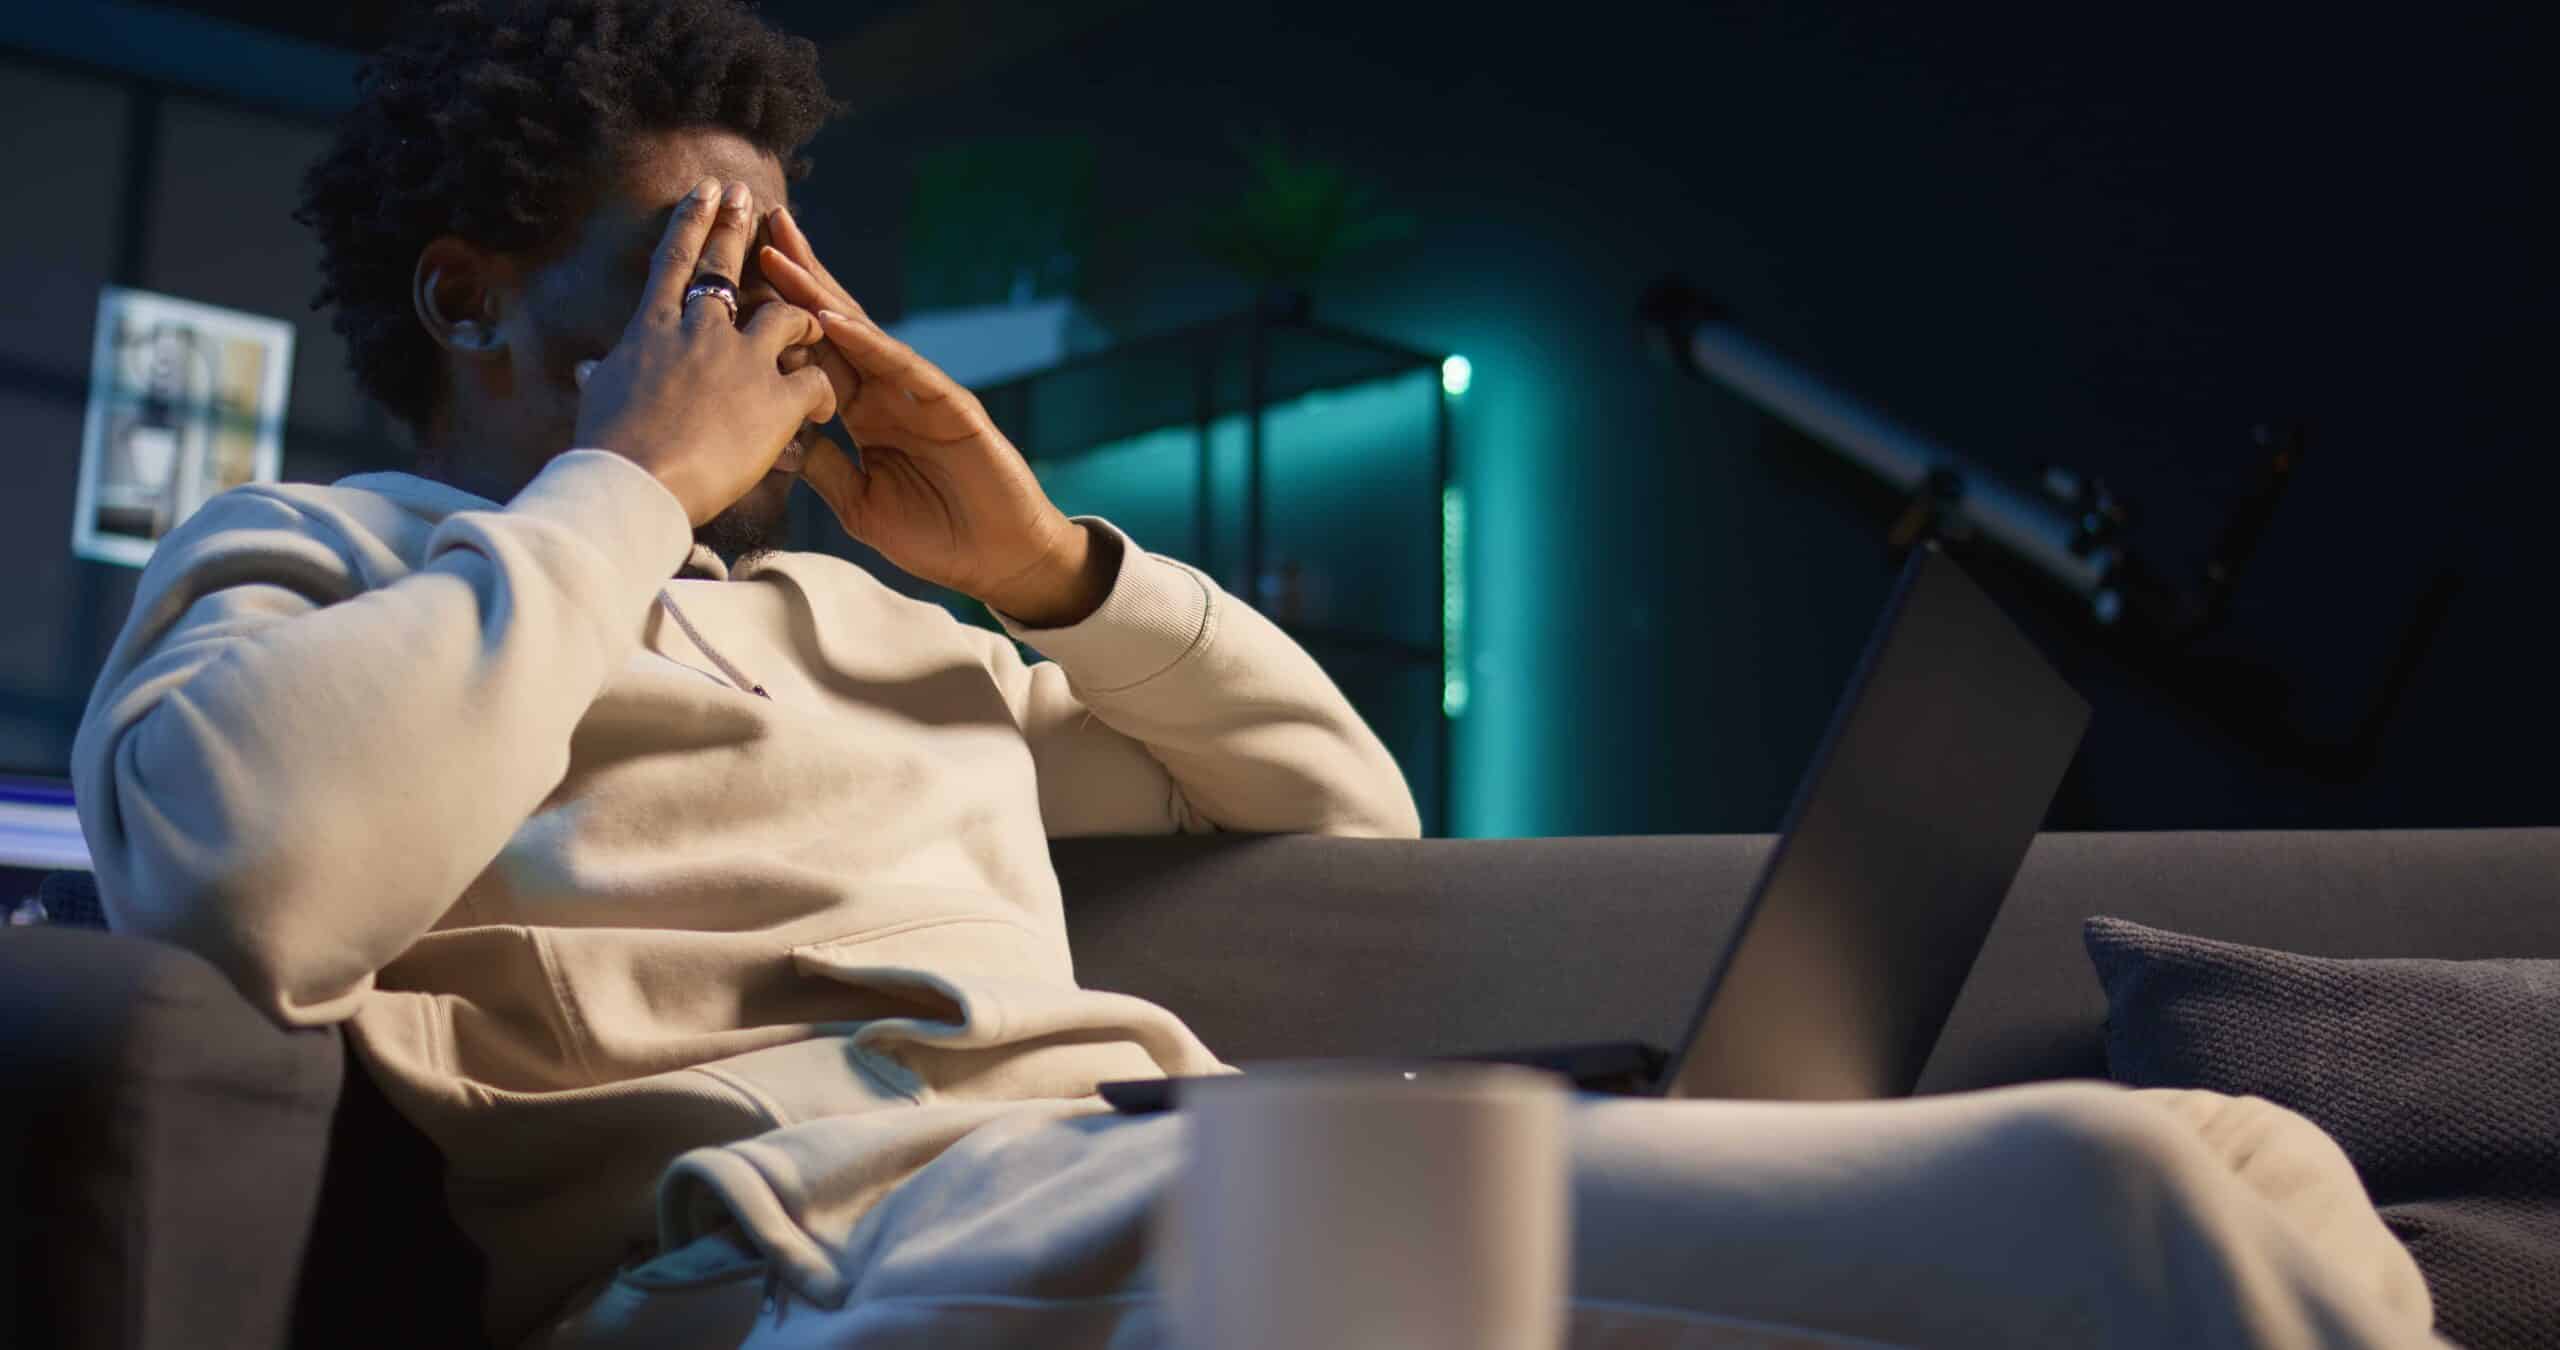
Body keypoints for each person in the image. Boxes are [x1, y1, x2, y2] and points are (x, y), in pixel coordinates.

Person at [72, 2, 2438, 1346]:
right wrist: (620, 491)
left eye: (795, 253)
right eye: (710, 256)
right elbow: (248, 885)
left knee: (2229, 1155)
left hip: (1168, 1167)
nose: (787, 312)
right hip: (831, 1248)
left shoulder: (878, 632)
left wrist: (1039, 561)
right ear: (477, 300)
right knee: (2131, 1233)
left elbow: (1337, 809)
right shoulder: (330, 568)